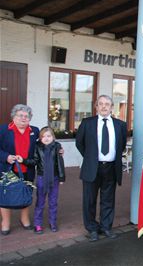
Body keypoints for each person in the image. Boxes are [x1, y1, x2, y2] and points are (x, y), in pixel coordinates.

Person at [76, 95, 127, 242]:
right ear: (96, 107)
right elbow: (79, 143)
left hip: (111, 167)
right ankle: (92, 228)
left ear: (112, 107)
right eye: (101, 104)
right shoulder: (87, 123)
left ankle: (106, 227)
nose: (104, 107)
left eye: (107, 104)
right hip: (92, 167)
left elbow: (121, 145)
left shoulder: (120, 125)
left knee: (108, 199)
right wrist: (91, 157)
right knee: (89, 200)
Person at [0, 104, 39, 235]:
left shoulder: (35, 131)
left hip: (27, 168)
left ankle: (24, 218)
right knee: (5, 194)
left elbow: (44, 145)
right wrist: (6, 156)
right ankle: (5, 222)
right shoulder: (3, 130)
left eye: (26, 116)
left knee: (25, 193)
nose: (23, 118)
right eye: (20, 115)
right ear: (14, 117)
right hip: (8, 168)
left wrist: (57, 150)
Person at [23, 127, 65, 234]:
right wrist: (23, 160)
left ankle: (52, 222)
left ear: (53, 137)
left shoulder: (57, 147)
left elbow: (59, 163)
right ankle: (38, 224)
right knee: (40, 202)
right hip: (42, 178)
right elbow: (35, 161)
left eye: (49, 136)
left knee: (53, 202)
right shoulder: (38, 147)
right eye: (43, 136)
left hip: (54, 178)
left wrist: (61, 177)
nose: (46, 138)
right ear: (40, 138)